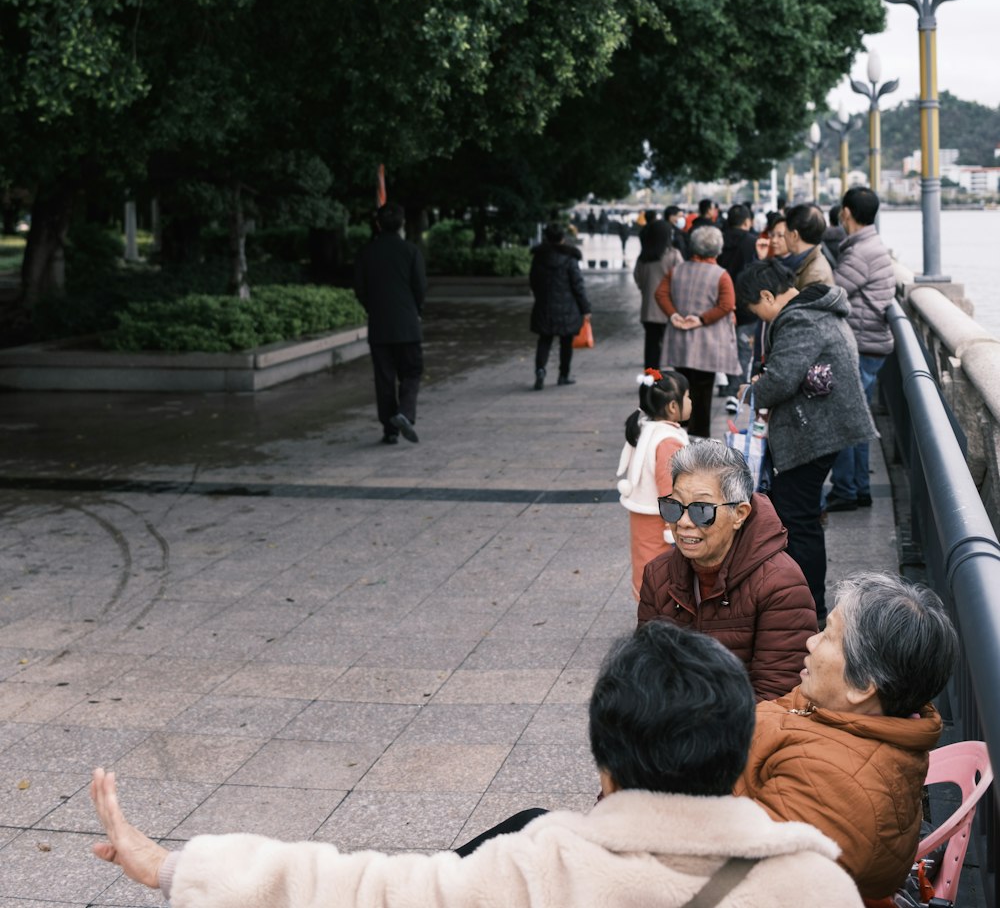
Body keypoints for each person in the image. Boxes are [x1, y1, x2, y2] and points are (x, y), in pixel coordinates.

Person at [89, 621, 863, 908]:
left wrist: (170, 866)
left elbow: (365, 892)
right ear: (737, 757)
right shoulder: (820, 888)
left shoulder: (541, 873)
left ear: (605, 768)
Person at [735, 571, 958, 901]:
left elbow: (737, 875)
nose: (810, 641)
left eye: (827, 636)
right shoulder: (835, 709)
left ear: (863, 685)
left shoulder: (836, 788)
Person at [735, 260, 877, 620]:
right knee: (798, 512)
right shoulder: (815, 308)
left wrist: (750, 393)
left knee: (798, 517)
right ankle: (802, 599)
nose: (762, 319)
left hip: (817, 429)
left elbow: (782, 379)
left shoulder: (799, 319)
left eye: (759, 311)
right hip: (825, 423)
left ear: (768, 295)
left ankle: (810, 606)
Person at [637, 440, 816, 700]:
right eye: (674, 507)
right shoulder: (658, 575)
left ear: (739, 514)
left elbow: (777, 696)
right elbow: (643, 674)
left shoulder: (781, 584)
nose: (684, 523)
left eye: (702, 510)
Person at [826, 187, 895, 512]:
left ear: (846, 212)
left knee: (844, 419)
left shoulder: (860, 251)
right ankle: (858, 488)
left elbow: (833, 294)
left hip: (862, 344)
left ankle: (847, 489)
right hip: (871, 343)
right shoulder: (871, 244)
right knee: (857, 419)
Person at [654, 225, 740, 438]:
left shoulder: (677, 270)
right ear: (717, 249)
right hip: (707, 343)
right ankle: (699, 434)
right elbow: (727, 304)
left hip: (679, 340)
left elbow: (660, 294)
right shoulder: (721, 275)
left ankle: (679, 431)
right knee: (702, 392)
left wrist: (674, 315)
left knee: (681, 387)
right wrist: (701, 319)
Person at [354, 201, 426, 445]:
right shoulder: (411, 251)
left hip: (380, 325)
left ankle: (390, 430)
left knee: (384, 378)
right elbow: (420, 288)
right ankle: (404, 413)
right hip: (407, 324)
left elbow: (360, 289)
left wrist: (372, 308)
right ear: (402, 224)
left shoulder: (366, 253)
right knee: (412, 371)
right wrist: (416, 309)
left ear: (377, 224)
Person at [617, 369, 691, 600]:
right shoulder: (668, 441)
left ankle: (648, 610)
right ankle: (659, 615)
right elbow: (670, 487)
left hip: (643, 513)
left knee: (645, 562)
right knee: (662, 568)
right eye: (688, 397)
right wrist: (675, 525)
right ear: (672, 406)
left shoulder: (647, 430)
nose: (691, 402)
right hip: (662, 520)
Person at [529, 223, 591, 389]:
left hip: (544, 304)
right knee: (566, 341)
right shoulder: (570, 258)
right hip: (567, 307)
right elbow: (578, 285)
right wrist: (585, 308)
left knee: (544, 339)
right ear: (563, 238)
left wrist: (540, 296)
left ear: (547, 238)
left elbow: (533, 281)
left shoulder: (539, 257)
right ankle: (563, 375)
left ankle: (540, 370)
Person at [718, 204, 759, 413]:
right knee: (745, 351)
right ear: (747, 222)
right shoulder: (753, 242)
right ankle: (740, 392)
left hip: (722, 306)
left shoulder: (719, 240)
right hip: (746, 307)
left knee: (728, 350)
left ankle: (732, 387)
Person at [633, 216, 683, 369]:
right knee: (674, 347)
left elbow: (639, 280)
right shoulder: (673, 255)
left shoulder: (643, 258)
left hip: (649, 310)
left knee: (651, 348)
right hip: (669, 309)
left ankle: (651, 380)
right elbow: (681, 281)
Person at [781, 204, 835, 289]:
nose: (783, 235)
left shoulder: (815, 274)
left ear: (794, 235)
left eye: (785, 231)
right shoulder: (808, 262)